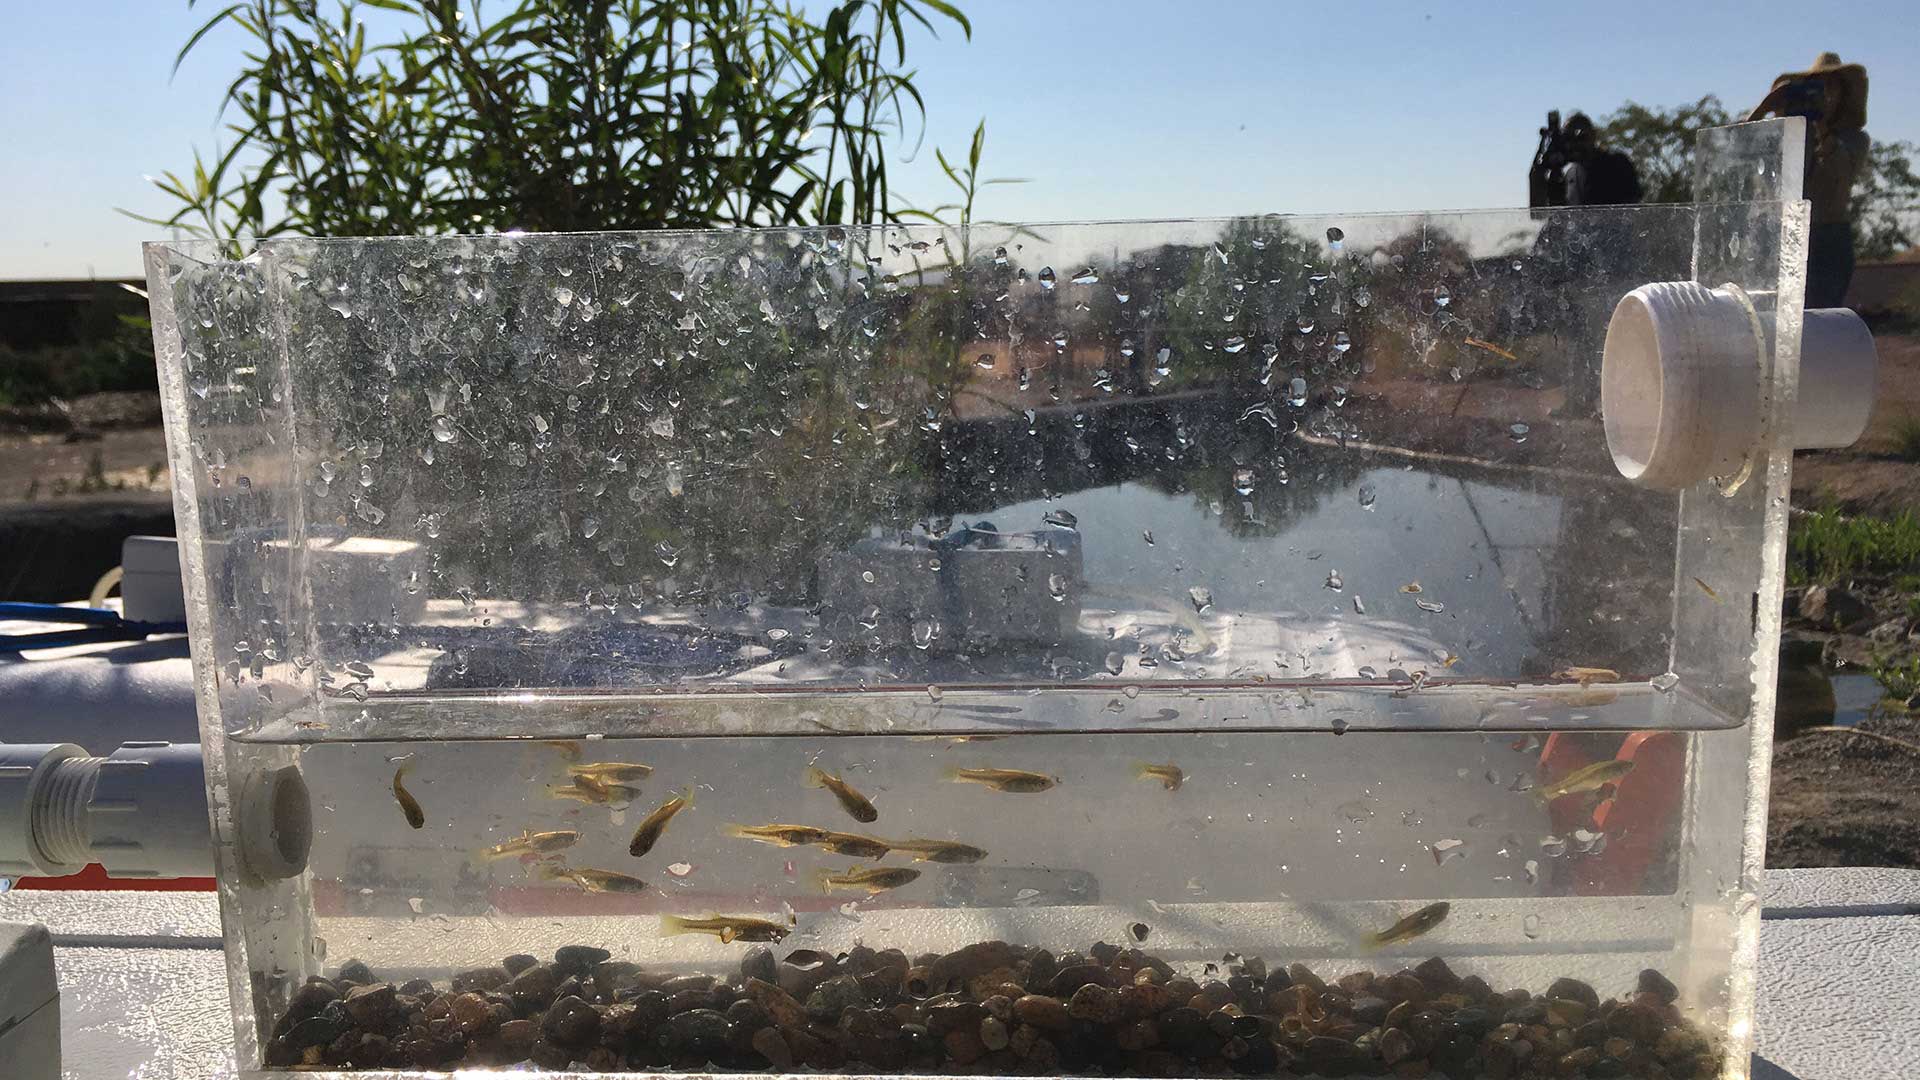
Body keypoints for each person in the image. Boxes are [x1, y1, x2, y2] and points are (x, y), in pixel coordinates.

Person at [1748, 53, 1872, 308]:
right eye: (1817, 87)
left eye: (1830, 87)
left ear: (1842, 95)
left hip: (1828, 239)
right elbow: (1742, 151)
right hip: (1788, 236)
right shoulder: (1787, 137)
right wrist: (1762, 110)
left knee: (1819, 322)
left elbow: (1840, 172)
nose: (1824, 95)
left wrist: (1822, 129)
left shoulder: (1854, 139)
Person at [1559, 112, 1643, 207]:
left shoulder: (1617, 163)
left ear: (1593, 135)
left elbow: (1633, 206)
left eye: (1581, 138)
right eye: (1568, 138)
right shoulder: (1570, 173)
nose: (1574, 144)